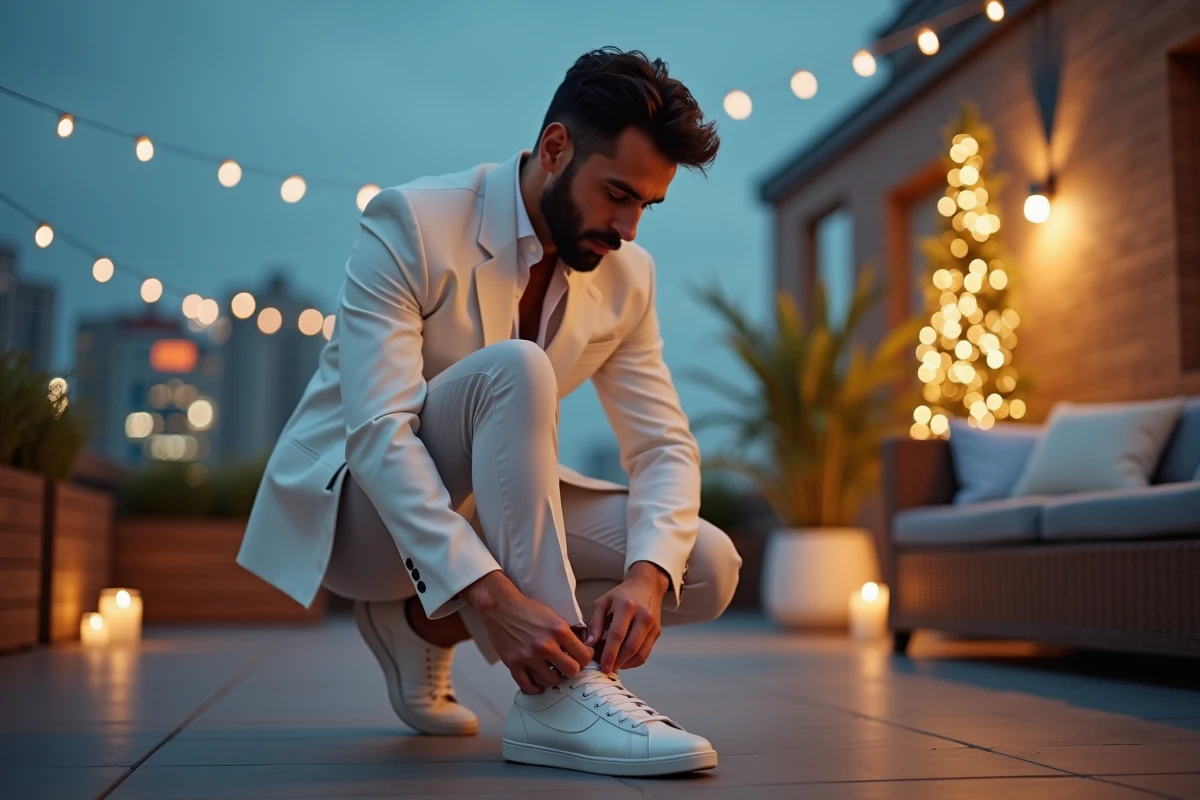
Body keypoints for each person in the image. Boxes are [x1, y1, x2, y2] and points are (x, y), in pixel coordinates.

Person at [236, 46, 742, 777]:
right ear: (555, 148)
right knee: (517, 367)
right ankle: (559, 700)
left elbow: (663, 446)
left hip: (494, 501)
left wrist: (645, 580)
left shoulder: (629, 275)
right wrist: (494, 597)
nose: (630, 228)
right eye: (618, 194)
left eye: (646, 206)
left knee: (704, 565)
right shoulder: (412, 220)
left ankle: (422, 626)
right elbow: (379, 433)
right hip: (360, 508)